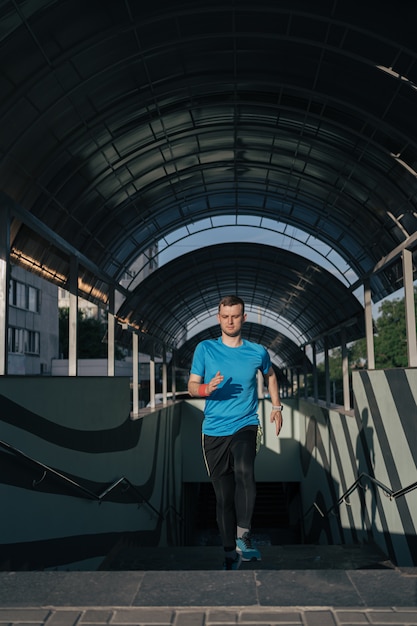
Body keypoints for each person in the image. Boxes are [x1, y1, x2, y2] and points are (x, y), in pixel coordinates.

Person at [188, 295, 283, 570]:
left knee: (245, 469)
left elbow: (271, 375)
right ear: (219, 318)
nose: (230, 321)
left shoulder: (257, 351)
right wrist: (207, 389)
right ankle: (229, 552)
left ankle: (244, 536)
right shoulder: (204, 349)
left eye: (235, 316)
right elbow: (192, 386)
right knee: (224, 498)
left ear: (244, 318)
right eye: (225, 316)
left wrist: (276, 407)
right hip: (214, 430)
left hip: (246, 423)